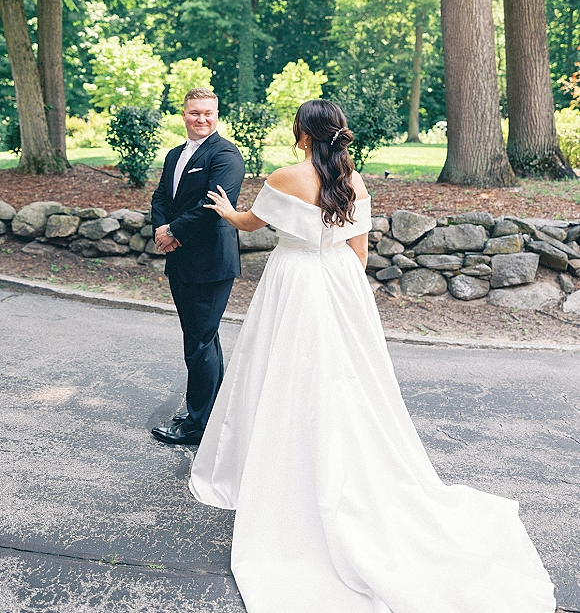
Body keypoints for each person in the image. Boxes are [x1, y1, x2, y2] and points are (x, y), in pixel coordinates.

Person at [188, 98, 556, 613]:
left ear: (303, 134)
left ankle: (275, 468)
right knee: (346, 379)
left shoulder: (285, 177)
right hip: (340, 284)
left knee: (279, 371)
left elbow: (251, 223)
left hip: (294, 282)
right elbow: (358, 254)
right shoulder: (355, 183)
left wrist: (228, 211)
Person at [150, 88, 245, 446]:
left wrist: (172, 231)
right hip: (180, 259)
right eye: (194, 112)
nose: (201, 119)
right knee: (202, 339)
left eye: (208, 112)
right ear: (184, 114)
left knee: (199, 342)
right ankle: (211, 413)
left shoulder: (226, 154)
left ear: (217, 114)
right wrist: (162, 230)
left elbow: (214, 206)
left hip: (210, 262)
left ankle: (197, 424)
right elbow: (161, 196)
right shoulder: (175, 155)